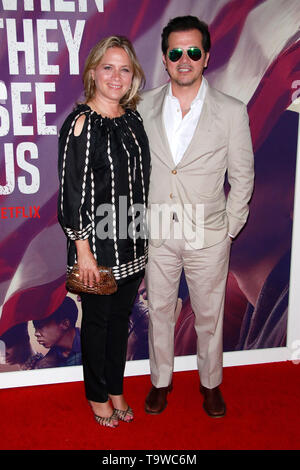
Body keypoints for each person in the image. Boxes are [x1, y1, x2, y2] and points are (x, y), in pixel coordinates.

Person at [138, 16, 254, 417]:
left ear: (206, 56)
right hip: (158, 234)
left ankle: (210, 385)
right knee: (160, 314)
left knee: (209, 316)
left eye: (192, 51)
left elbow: (242, 176)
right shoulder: (143, 106)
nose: (183, 59)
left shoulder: (231, 111)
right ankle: (160, 382)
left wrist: (229, 230)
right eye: (175, 52)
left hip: (209, 236)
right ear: (166, 59)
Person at [57, 36, 150, 428]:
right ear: (93, 72)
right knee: (97, 324)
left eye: (124, 69)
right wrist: (83, 249)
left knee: (121, 321)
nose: (116, 76)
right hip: (96, 245)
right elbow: (70, 191)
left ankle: (115, 388)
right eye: (108, 67)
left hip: (133, 239)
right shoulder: (81, 124)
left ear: (134, 77)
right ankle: (97, 396)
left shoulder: (132, 119)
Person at [33, 297, 82, 368]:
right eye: (35, 328)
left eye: (40, 327)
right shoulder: (48, 360)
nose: (36, 334)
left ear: (65, 324)